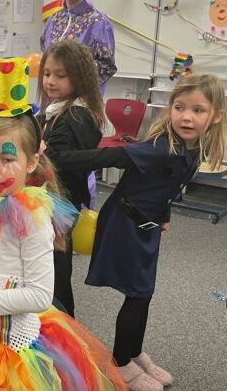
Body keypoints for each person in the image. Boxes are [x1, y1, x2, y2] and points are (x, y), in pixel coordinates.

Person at [0, 58, 126, 390]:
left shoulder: (31, 218)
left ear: (31, 161)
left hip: (12, 350)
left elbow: (40, 296)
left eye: (7, 159)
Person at [45, 74, 226, 391]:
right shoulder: (159, 148)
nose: (186, 117)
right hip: (125, 223)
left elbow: (167, 183)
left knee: (144, 293)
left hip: (147, 224)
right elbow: (106, 157)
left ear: (216, 116)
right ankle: (122, 364)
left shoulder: (193, 147)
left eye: (198, 110)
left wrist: (164, 213)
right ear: (171, 109)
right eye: (180, 107)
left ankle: (133, 351)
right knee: (138, 294)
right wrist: (54, 158)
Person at [37, 39, 105, 317]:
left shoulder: (76, 116)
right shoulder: (58, 110)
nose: (50, 81)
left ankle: (62, 322)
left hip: (60, 202)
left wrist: (38, 151)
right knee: (48, 264)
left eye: (60, 75)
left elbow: (59, 159)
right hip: (53, 200)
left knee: (56, 268)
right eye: (47, 74)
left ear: (79, 78)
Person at [40, 0, 116, 94]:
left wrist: (72, 82)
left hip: (82, 101)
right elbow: (46, 58)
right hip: (52, 100)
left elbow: (107, 67)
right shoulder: (53, 20)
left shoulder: (99, 22)